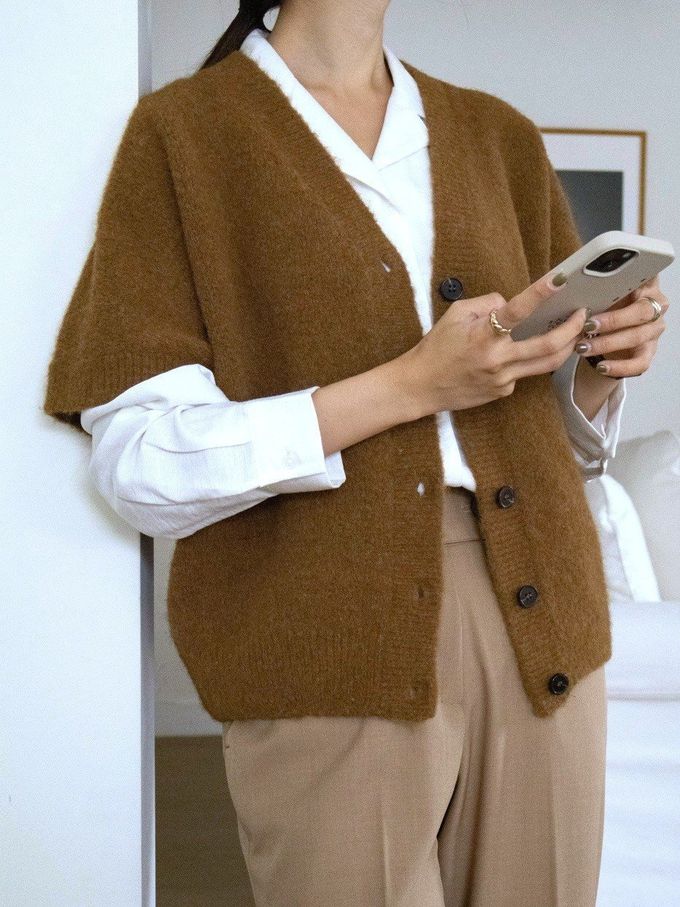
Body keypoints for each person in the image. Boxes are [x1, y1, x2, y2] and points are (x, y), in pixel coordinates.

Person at [43, 1, 669, 904]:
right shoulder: (185, 136)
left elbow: (549, 438)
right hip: (323, 632)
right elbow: (142, 462)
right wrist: (412, 384)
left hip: (546, 621)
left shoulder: (495, 134)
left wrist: (599, 370)